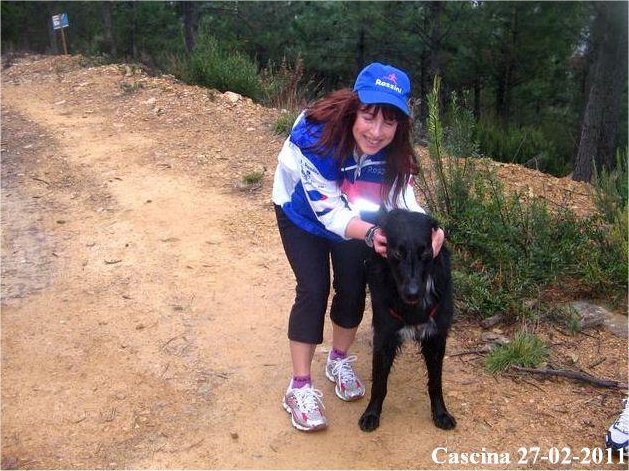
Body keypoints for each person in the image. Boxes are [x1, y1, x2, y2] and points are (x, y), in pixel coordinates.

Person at [272, 62, 445, 432]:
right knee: (313, 289)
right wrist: (370, 235)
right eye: (369, 117)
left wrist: (429, 230)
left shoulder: (396, 151)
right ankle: (299, 387)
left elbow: (402, 200)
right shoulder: (314, 136)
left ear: (400, 124)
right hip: (301, 213)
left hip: (354, 216)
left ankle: (338, 359)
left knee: (352, 286)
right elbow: (329, 213)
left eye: (389, 122)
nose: (377, 132)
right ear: (354, 108)